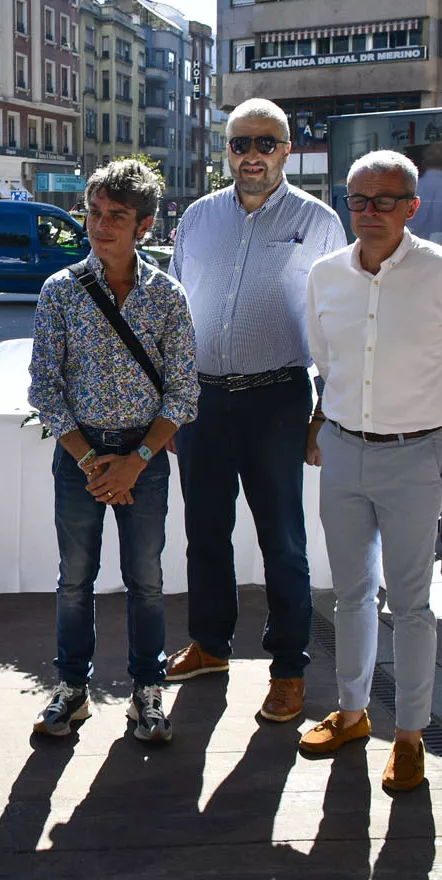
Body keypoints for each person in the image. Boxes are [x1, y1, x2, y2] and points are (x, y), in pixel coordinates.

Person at [300, 149, 442, 792]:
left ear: (412, 206)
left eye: (386, 200)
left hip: (417, 452)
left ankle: (409, 734)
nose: (370, 212)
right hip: (345, 449)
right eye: (359, 200)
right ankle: (352, 714)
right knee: (349, 595)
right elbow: (325, 360)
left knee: (411, 604)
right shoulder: (327, 275)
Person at [164, 97, 347, 724]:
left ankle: (289, 666)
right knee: (204, 533)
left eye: (265, 144)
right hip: (203, 399)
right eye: (240, 143)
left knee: (283, 539)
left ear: (286, 150)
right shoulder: (197, 218)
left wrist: (325, 411)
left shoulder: (319, 222)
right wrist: (172, 402)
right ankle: (211, 644)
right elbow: (174, 312)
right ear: (228, 149)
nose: (251, 156)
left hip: (277, 397)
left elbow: (337, 320)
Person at [27, 159, 199, 743]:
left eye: (116, 217)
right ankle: (72, 689)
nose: (100, 226)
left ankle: (146, 693)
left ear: (144, 225)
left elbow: (183, 392)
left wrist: (135, 462)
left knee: (145, 579)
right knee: (74, 578)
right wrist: (88, 460)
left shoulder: (168, 297)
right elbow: (44, 389)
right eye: (94, 213)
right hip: (80, 460)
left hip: (142, 463)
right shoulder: (61, 291)